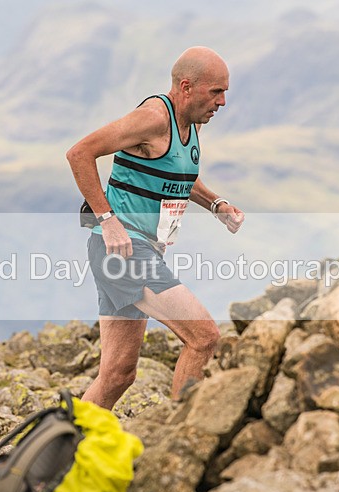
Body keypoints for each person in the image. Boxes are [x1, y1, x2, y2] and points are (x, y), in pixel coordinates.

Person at [67, 46, 244, 410]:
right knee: (204, 337)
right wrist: (107, 219)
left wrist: (216, 204)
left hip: (132, 251)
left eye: (225, 91)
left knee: (118, 375)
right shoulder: (152, 118)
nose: (223, 101)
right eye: (216, 91)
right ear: (186, 87)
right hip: (123, 250)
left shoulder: (189, 125)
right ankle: (178, 437)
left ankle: (63, 450)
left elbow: (176, 175)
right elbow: (79, 153)